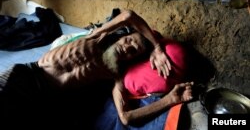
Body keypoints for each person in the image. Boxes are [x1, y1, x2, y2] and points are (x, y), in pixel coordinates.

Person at [0, 9, 193, 128]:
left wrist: (170, 99)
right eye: (127, 41)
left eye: (133, 50)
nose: (126, 47)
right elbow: (128, 15)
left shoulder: (114, 75)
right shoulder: (96, 36)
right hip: (26, 76)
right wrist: (157, 47)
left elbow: (126, 118)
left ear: (133, 59)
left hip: (44, 101)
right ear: (120, 36)